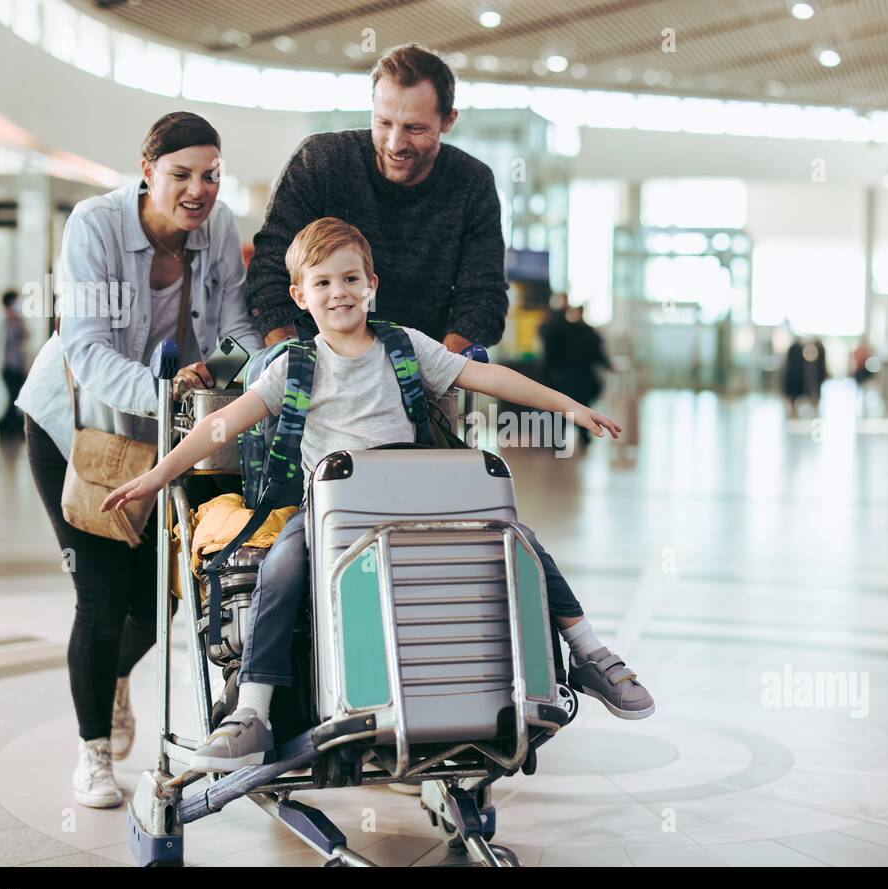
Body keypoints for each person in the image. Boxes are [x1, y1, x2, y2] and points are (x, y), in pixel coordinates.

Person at [102, 218, 655, 772]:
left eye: (350, 279)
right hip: (330, 513)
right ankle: (253, 711)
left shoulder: (404, 347)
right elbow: (219, 426)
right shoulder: (295, 366)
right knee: (283, 565)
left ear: (372, 284)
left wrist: (567, 406)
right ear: (299, 295)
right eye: (322, 283)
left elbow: (488, 379)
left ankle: (588, 653)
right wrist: (156, 474)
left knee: (519, 541)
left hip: (413, 501)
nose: (338, 292)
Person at [15, 112, 263, 808]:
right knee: (100, 598)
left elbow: (237, 329)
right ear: (148, 169)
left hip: (163, 438)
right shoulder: (94, 226)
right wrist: (169, 393)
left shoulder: (217, 229)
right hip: (78, 429)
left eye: (209, 175)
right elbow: (87, 347)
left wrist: (243, 373)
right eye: (181, 174)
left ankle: (111, 676)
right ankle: (93, 753)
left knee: (161, 601)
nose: (198, 190)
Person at [246, 43, 507, 353]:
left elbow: (483, 299)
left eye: (415, 128)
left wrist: (431, 373)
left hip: (421, 370)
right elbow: (269, 268)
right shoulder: (320, 161)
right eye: (383, 123)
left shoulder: (471, 183)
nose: (396, 144)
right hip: (314, 366)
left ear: (448, 121)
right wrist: (295, 362)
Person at [540, 301, 611, 449]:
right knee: (581, 406)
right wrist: (608, 365)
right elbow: (598, 353)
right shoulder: (586, 331)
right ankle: (583, 437)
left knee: (563, 408)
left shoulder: (562, 330)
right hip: (581, 376)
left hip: (567, 376)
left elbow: (551, 353)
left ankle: (560, 441)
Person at [0, 289, 29, 437]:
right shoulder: (0, 322)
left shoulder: (18, 321)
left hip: (18, 365)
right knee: (12, 396)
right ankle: (8, 426)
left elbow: (26, 337)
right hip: (6, 366)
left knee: (15, 396)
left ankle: (7, 424)